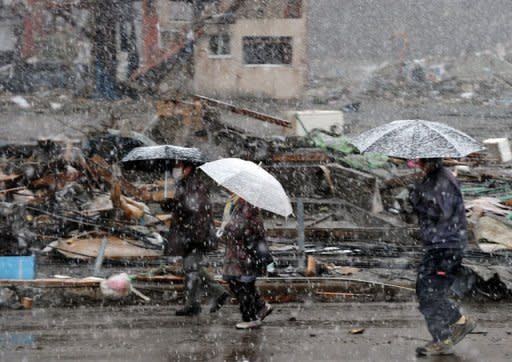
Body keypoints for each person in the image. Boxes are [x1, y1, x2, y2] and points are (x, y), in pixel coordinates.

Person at [408, 158, 476, 356]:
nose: (417, 166)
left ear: (427, 161)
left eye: (419, 162)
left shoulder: (441, 180)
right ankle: (443, 337)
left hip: (446, 246)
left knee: (430, 292)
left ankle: (457, 325)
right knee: (426, 291)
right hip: (441, 244)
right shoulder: (435, 178)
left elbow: (441, 211)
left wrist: (417, 200)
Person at [165, 160, 229, 316]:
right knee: (190, 270)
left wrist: (196, 236)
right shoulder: (186, 184)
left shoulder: (194, 185)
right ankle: (192, 304)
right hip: (188, 234)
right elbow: (184, 207)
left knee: (191, 267)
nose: (178, 170)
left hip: (195, 235)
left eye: (181, 167)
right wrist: (170, 204)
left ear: (189, 168)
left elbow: (199, 212)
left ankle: (218, 292)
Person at [219, 195, 273, 329]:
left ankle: (251, 317)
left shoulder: (249, 205)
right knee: (235, 282)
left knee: (244, 285)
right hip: (236, 254)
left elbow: (245, 227)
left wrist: (227, 227)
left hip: (245, 254)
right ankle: (260, 306)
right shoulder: (235, 203)